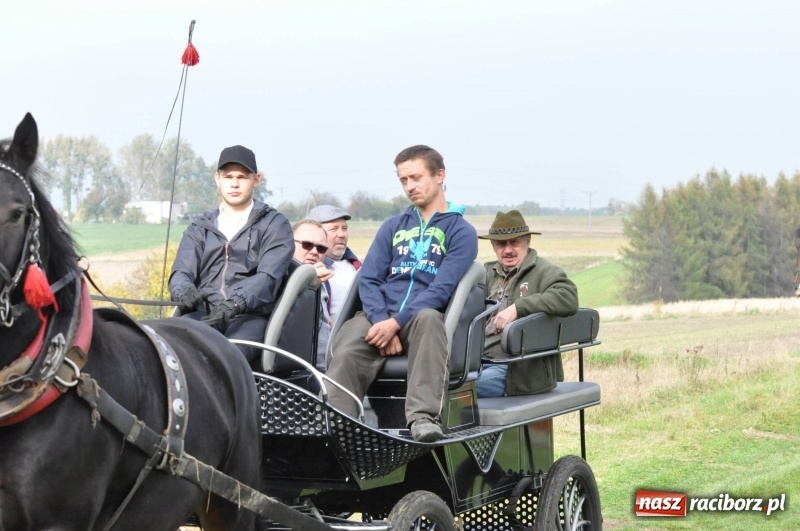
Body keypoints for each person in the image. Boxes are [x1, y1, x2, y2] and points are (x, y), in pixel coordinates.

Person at [326, 145, 478, 442]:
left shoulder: (461, 231)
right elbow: (368, 278)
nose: (410, 186)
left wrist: (396, 323)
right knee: (347, 344)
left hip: (420, 320)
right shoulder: (393, 227)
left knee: (429, 318)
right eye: (403, 180)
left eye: (416, 177)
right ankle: (337, 424)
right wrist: (382, 320)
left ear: (439, 175)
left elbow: (442, 289)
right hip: (378, 315)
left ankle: (423, 418)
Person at [169, 145, 294, 367]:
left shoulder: (275, 225)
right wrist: (183, 290)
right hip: (203, 315)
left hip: (250, 318)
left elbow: (267, 278)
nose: (234, 184)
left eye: (242, 177)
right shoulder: (200, 227)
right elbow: (181, 272)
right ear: (217, 179)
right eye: (228, 177)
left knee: (223, 358)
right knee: (165, 350)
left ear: (256, 180)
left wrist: (235, 303)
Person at [476, 209, 579, 398]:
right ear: (493, 245)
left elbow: (568, 296)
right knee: (434, 380)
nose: (508, 250)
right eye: (501, 244)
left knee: (457, 389)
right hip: (478, 363)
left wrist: (518, 308)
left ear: (528, 241)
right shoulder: (487, 273)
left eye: (514, 242)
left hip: (517, 371)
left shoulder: (544, 271)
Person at [306, 205, 361, 324]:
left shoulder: (359, 267)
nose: (341, 234)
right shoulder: (307, 270)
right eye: (334, 229)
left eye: (344, 228)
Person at [292, 219, 334, 371]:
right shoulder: (278, 277)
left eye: (321, 248)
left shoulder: (320, 277)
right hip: (297, 369)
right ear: (289, 243)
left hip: (322, 369)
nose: (315, 251)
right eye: (307, 244)